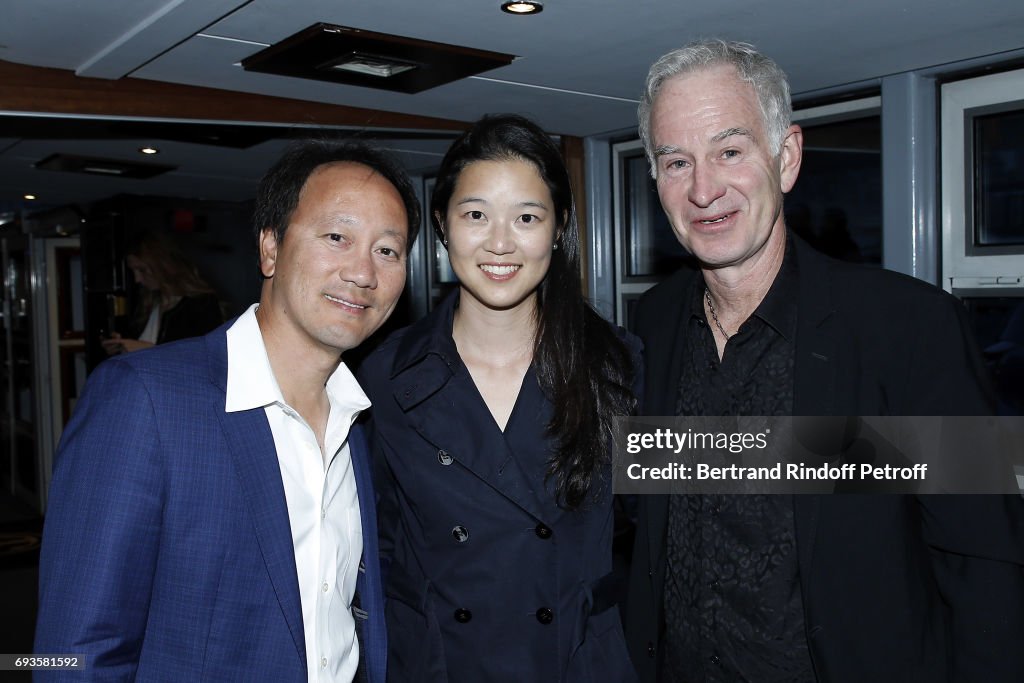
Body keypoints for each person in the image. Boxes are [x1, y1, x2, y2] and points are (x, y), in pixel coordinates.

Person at [624, 39, 1024, 682]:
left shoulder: (909, 328)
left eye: (730, 151)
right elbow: (649, 519)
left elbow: (983, 561)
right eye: (676, 161)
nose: (703, 189)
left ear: (786, 158)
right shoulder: (653, 324)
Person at [35, 139, 421, 682]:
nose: (363, 271)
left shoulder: (357, 420)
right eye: (337, 237)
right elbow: (71, 653)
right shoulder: (145, 401)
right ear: (269, 248)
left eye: (388, 250)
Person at [358, 114, 640, 682]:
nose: (501, 242)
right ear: (442, 225)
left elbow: (686, 523)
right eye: (476, 215)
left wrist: (860, 456)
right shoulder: (384, 374)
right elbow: (371, 548)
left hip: (576, 662)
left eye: (527, 217)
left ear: (558, 227)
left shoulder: (619, 366)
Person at [101, 231, 222, 354]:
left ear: (162, 265)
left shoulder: (201, 304)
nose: (137, 279)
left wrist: (147, 350)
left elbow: (205, 357)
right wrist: (122, 346)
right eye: (133, 271)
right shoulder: (147, 304)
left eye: (142, 270)